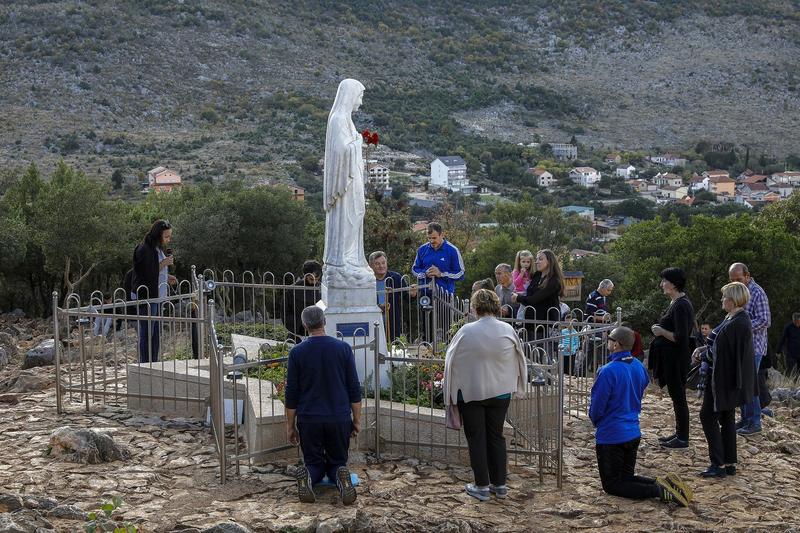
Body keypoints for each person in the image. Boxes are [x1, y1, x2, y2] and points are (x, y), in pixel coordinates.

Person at [590, 326, 690, 507]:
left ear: (616, 346)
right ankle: (662, 483)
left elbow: (597, 407)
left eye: (610, 340)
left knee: (612, 485)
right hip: (633, 431)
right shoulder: (638, 366)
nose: (608, 342)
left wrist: (596, 421)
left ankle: (658, 491)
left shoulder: (607, 371)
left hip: (612, 435)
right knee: (626, 478)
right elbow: (642, 386)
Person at [443, 289, 527, 501]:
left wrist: (450, 393)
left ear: (474, 307)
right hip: (500, 393)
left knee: (476, 438)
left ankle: (481, 485)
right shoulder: (507, 329)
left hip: (471, 393)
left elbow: (451, 361)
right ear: (497, 305)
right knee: (496, 437)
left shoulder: (466, 331)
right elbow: (519, 359)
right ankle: (500, 485)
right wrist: (518, 384)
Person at [285, 306, 361, 505]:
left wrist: (290, 426)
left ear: (304, 325)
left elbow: (292, 393)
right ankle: (341, 478)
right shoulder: (343, 349)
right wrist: (357, 420)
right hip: (338, 417)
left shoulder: (297, 352)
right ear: (324, 321)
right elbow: (354, 388)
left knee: (314, 463)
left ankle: (308, 477)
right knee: (337, 462)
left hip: (309, 418)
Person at [696, 282, 755, 477]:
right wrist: (705, 349)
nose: (722, 300)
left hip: (721, 379)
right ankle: (729, 463)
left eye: (724, 297)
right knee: (727, 418)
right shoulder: (733, 317)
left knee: (708, 416)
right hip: (724, 378)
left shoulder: (738, 322)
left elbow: (723, 353)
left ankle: (718, 464)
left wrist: (704, 356)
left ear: (732, 300)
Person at [322, 78, 374, 288]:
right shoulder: (337, 120)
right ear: (350, 95)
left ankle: (351, 258)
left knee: (358, 215)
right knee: (348, 218)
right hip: (345, 184)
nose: (360, 102)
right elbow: (340, 151)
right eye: (359, 96)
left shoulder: (346, 120)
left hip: (353, 180)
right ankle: (342, 260)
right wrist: (359, 141)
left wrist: (357, 140)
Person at [649, 267, 695, 449]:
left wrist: (661, 331)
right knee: (676, 396)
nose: (661, 285)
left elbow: (680, 337)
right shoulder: (676, 303)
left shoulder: (682, 305)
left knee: (679, 397)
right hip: (671, 358)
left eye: (664, 281)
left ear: (674, 283)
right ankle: (679, 432)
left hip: (677, 359)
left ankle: (683, 437)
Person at [728, 262, 771, 435]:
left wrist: (741, 325)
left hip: (754, 347)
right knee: (743, 385)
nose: (735, 283)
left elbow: (765, 321)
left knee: (750, 385)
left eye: (738, 279)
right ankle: (745, 419)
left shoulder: (758, 292)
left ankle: (755, 422)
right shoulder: (736, 291)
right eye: (732, 280)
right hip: (741, 347)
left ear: (747, 276)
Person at [131, 219, 177, 363]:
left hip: (157, 297)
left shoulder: (156, 248)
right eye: (166, 236)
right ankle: (145, 364)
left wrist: (166, 276)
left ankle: (154, 362)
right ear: (158, 235)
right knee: (147, 333)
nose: (168, 240)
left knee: (155, 334)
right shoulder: (144, 249)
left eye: (170, 236)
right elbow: (146, 273)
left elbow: (155, 270)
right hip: (149, 298)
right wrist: (164, 263)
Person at [512, 249, 564, 341]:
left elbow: (534, 299)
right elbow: (528, 294)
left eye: (540, 259)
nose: (536, 262)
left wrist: (518, 298)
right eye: (536, 259)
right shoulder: (537, 275)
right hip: (530, 324)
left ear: (549, 261)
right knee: (529, 353)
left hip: (545, 326)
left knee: (543, 353)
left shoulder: (554, 281)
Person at [368, 251, 416, 342]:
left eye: (383, 263)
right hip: (373, 319)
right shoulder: (367, 280)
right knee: (375, 344)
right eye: (377, 264)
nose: (381, 266)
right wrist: (377, 307)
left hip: (392, 318)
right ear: (371, 265)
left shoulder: (395, 277)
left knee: (393, 344)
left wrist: (413, 294)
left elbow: (407, 297)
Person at [411, 222, 465, 295]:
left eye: (434, 238)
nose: (431, 241)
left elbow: (460, 273)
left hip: (445, 295)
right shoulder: (422, 249)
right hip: (425, 295)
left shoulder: (452, 250)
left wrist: (441, 274)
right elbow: (414, 269)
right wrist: (425, 274)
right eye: (429, 238)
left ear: (442, 235)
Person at [285, 261, 322, 342]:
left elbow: (323, 309)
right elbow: (286, 312)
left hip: (317, 332)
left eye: (317, 278)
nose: (314, 281)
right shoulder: (292, 290)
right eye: (311, 279)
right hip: (296, 333)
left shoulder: (321, 289)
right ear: (305, 275)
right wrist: (300, 325)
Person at [778, 313, 800, 377]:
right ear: (793, 320)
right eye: (795, 322)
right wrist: (778, 350)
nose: (797, 323)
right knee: (792, 371)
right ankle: (793, 385)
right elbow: (783, 338)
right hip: (791, 353)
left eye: (798, 322)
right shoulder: (788, 327)